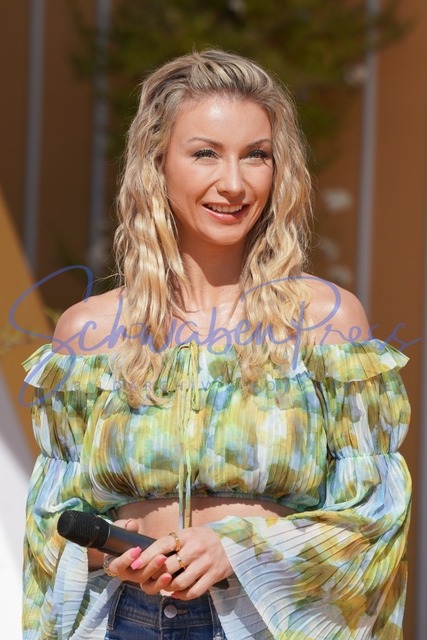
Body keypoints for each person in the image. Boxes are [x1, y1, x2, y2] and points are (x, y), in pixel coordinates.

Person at [22, 49, 411, 640]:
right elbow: (50, 524)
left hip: (265, 622)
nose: (233, 182)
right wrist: (111, 553)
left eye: (256, 155)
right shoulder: (89, 331)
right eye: (205, 153)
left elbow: (375, 515)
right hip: (126, 619)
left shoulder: (324, 319)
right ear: (156, 163)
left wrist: (241, 547)